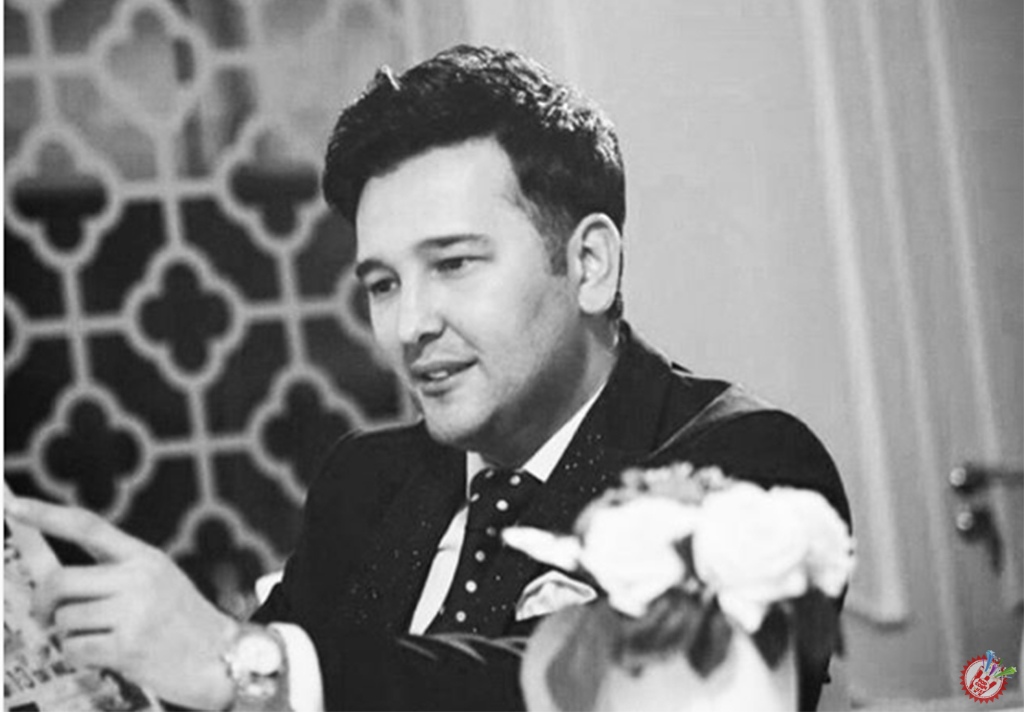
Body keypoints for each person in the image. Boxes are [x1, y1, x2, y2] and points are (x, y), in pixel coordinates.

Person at [6, 45, 850, 711]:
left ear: (589, 264)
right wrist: (93, 676)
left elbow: (607, 690)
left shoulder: (746, 470)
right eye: (382, 284)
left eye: (453, 264)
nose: (409, 325)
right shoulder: (363, 481)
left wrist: (246, 662)